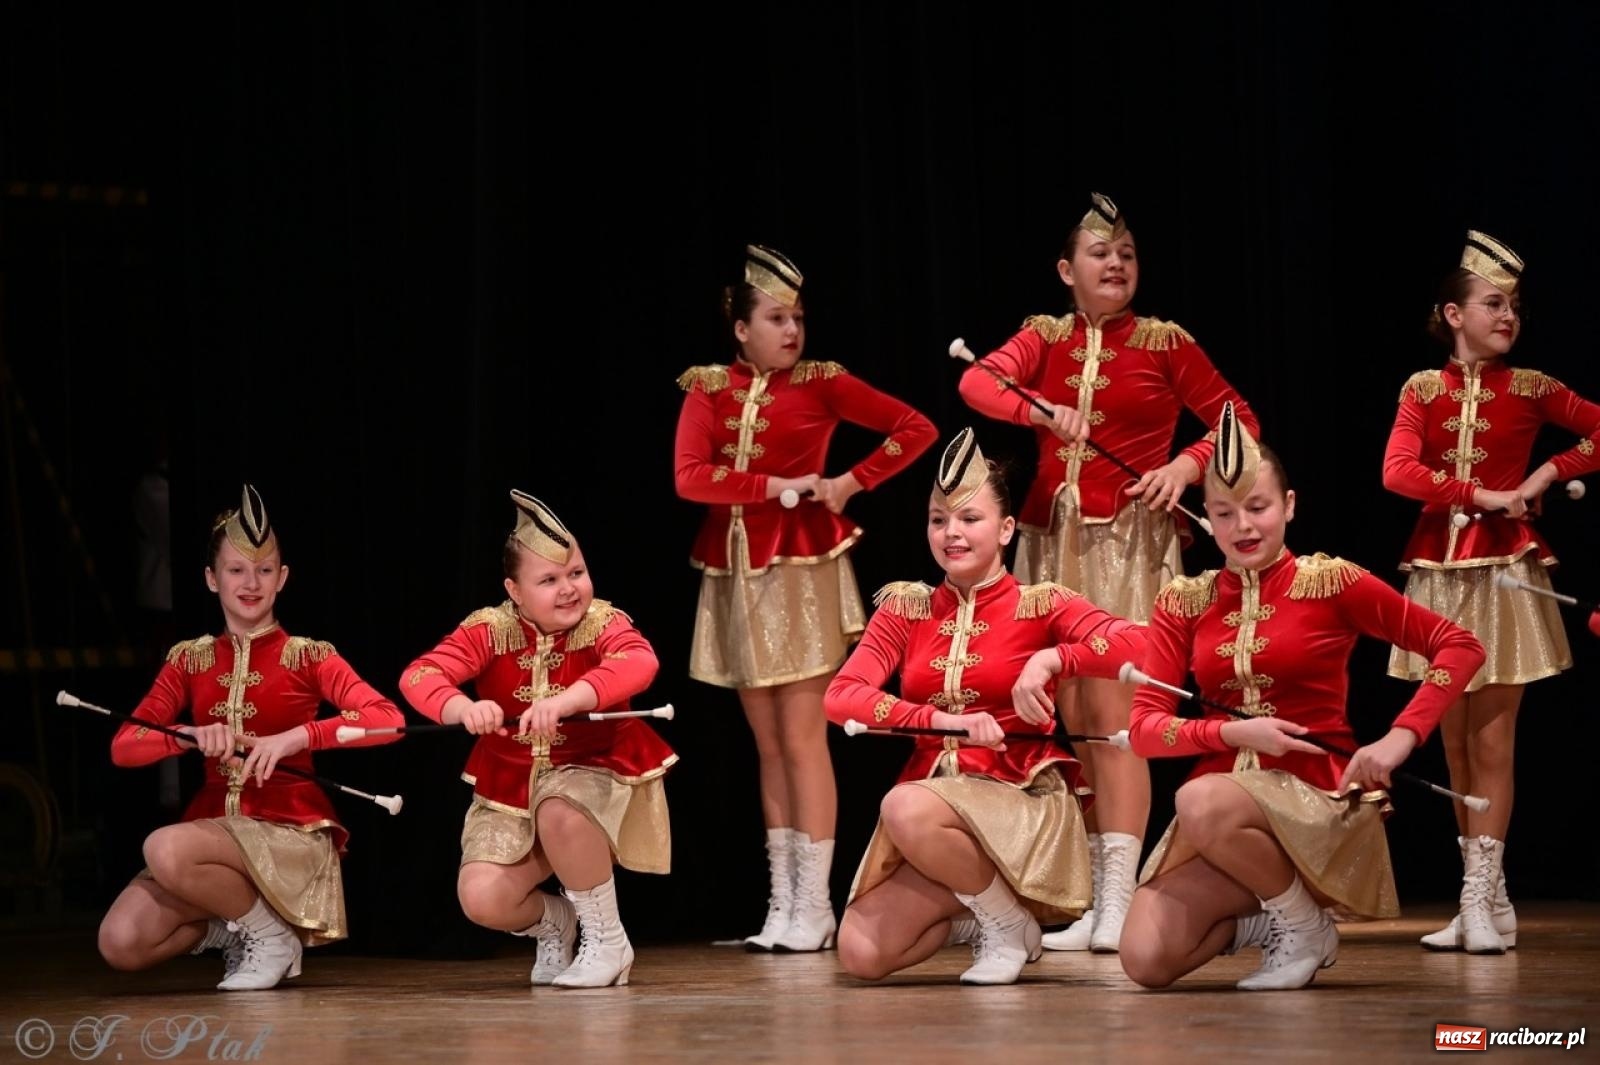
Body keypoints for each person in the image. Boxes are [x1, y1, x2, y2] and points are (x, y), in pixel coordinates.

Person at [958, 193, 1260, 952]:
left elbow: (1239, 419)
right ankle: (1097, 897)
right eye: (1100, 253)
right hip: (1054, 542)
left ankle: (1120, 900)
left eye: (1126, 252)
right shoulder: (1045, 336)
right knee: (1082, 718)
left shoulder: (1164, 341)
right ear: (1068, 269)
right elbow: (977, 384)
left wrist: (1187, 468)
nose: (1116, 263)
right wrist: (1039, 413)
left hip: (1130, 543)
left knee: (1123, 716)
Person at [1118, 406, 1485, 990]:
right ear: (1205, 519)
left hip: (1317, 797)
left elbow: (1459, 646)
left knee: (1201, 797)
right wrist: (1232, 733)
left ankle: (1301, 924)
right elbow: (1142, 730)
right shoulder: (1182, 600)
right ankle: (1277, 919)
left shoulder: (1333, 582)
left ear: (1289, 505)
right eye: (1224, 512)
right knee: (1144, 960)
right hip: (1219, 818)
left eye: (1258, 507)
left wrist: (1399, 738)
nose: (1243, 525)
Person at [674, 244, 937, 951]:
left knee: (800, 738)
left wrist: (853, 480)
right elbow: (690, 478)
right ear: (741, 327)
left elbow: (916, 428)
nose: (792, 331)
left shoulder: (823, 383)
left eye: (798, 318)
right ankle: (783, 902)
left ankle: (815, 902)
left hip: (801, 569)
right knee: (766, 747)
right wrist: (770, 488)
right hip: (733, 573)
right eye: (776, 317)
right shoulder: (707, 387)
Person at [824, 428, 1146, 984]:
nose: (951, 533)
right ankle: (993, 914)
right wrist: (940, 720)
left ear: (1005, 529)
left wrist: (1052, 660)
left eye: (969, 519)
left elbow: (1140, 645)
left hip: (1020, 801)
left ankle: (1004, 923)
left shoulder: (1041, 603)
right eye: (938, 519)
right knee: (862, 952)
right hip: (941, 820)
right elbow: (841, 697)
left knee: (902, 806)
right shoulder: (907, 608)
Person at [1382, 230, 1600, 953]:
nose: (1508, 316)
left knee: (1492, 740)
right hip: (1438, 574)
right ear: (1453, 313)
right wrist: (1481, 491)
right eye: (1493, 303)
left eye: (1514, 306)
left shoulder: (1532, 387)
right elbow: (1398, 472)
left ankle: (1478, 898)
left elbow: (1599, 429)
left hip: (1505, 575)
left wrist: (1544, 476)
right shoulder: (1422, 388)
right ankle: (1489, 897)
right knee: (1450, 741)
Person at [98, 484, 405, 990]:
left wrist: (298, 738)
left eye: (264, 571)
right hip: (211, 841)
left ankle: (270, 936)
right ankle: (238, 929)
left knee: (164, 847)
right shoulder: (188, 659)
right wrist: (187, 735)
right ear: (211, 578)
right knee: (122, 943)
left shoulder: (308, 655)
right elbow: (124, 746)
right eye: (236, 570)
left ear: (282, 578)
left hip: (288, 832)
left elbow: (387, 720)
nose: (251, 583)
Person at [401, 491, 675, 988]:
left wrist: (567, 700)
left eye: (576, 573)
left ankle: (607, 939)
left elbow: (641, 662)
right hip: (511, 788)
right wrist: (463, 708)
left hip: (597, 771)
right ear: (515, 589)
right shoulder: (489, 630)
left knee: (559, 804)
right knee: (483, 899)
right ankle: (560, 924)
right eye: (548, 580)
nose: (569, 589)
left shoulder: (604, 623)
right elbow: (420, 676)